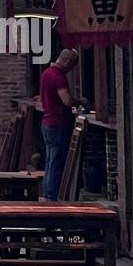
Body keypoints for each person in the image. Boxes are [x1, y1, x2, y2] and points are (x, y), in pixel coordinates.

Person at [40, 48, 82, 199]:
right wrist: (80, 101)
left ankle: (47, 192)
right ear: (68, 62)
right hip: (57, 123)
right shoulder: (58, 76)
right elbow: (67, 100)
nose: (72, 69)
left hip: (46, 122)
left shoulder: (46, 73)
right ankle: (52, 195)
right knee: (57, 162)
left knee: (50, 160)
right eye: (73, 65)